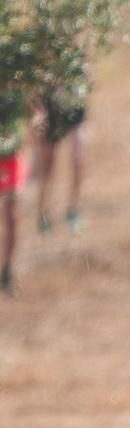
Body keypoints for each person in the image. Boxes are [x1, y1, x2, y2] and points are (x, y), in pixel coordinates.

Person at [33, 81, 88, 238]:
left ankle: (73, 210)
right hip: (49, 103)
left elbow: (85, 72)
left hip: (73, 100)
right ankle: (43, 211)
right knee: (49, 165)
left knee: (79, 159)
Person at [0, 103, 25, 297]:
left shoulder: (16, 78)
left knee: (12, 217)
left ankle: (7, 271)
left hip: (11, 157)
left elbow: (34, 110)